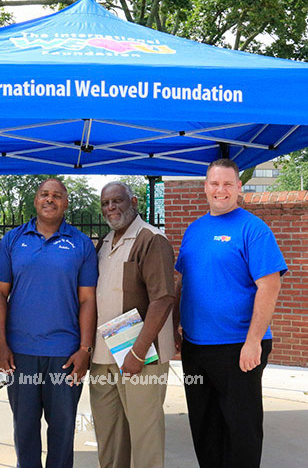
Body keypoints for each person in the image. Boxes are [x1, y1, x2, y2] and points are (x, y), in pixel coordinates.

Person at [174, 158, 287, 468]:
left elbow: (270, 287)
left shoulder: (253, 229)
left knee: (241, 430)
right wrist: (177, 327)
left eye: (227, 184)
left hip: (239, 347)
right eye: (214, 183)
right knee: (204, 426)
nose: (220, 190)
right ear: (205, 187)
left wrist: (253, 343)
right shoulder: (194, 230)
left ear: (239, 187)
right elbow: (182, 282)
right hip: (196, 348)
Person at [0, 178, 98, 468]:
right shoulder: (13, 240)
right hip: (20, 353)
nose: (50, 200)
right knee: (24, 429)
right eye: (44, 194)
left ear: (66, 203)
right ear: (36, 200)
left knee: (62, 432)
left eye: (57, 196)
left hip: (65, 353)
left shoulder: (81, 243)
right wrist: (1, 345)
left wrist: (85, 350)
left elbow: (88, 300)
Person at [89, 181, 176, 468]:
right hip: (103, 357)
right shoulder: (104, 243)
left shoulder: (152, 239)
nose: (111, 207)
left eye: (117, 201)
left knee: (144, 437)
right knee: (110, 438)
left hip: (140, 358)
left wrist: (137, 353)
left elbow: (163, 299)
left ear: (134, 201)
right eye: (105, 203)